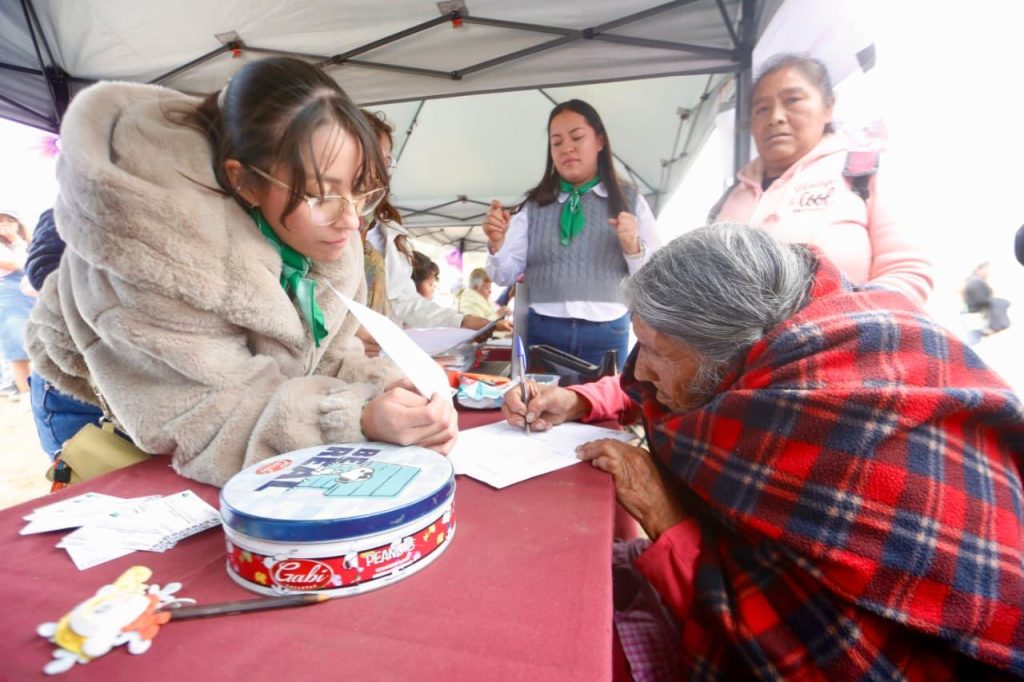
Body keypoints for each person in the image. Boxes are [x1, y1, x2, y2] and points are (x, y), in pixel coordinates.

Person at [503, 225, 1024, 679]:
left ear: (727, 357)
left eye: (657, 353)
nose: (639, 373)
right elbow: (645, 385)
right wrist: (578, 399)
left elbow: (812, 651)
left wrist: (668, 519)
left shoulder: (826, 422)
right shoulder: (782, 331)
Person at [25, 57, 457, 485]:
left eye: (361, 191)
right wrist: (355, 418)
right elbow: (207, 420)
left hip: (226, 403)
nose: (351, 220)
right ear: (246, 182)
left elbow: (326, 357)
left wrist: (391, 389)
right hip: (108, 405)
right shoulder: (155, 251)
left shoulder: (321, 233)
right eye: (322, 193)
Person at [711, 53, 933, 306]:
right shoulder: (729, 199)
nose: (776, 117)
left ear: (828, 107)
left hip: (846, 339)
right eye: (762, 109)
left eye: (793, 100)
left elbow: (908, 271)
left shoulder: (864, 172)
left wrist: (843, 323)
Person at [483, 99, 661, 370]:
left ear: (600, 140)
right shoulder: (533, 205)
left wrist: (632, 247)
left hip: (607, 332)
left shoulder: (630, 201)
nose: (567, 148)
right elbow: (504, 275)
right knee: (538, 410)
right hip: (541, 330)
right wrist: (497, 245)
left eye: (577, 137)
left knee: (605, 410)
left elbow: (654, 280)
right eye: (556, 142)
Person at [358, 110, 494, 330]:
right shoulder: (324, 225)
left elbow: (405, 302)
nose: (384, 171)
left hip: (378, 356)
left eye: (388, 161)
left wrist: (461, 322)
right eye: (377, 159)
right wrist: (348, 339)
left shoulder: (388, 232)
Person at [0, 209, 35, 397]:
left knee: (36, 343)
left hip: (30, 296)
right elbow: (15, 264)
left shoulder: (27, 243)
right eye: (0, 221)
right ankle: (26, 394)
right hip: (8, 298)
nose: (5, 224)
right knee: (17, 348)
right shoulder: (16, 246)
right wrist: (15, 241)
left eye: (9, 220)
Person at [963, 261, 1011, 341]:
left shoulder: (975, 280)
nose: (988, 273)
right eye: (986, 270)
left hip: (977, 307)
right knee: (999, 303)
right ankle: (994, 327)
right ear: (979, 270)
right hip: (976, 309)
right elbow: (979, 299)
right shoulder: (976, 281)